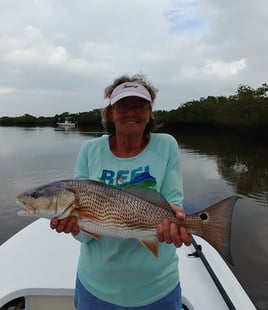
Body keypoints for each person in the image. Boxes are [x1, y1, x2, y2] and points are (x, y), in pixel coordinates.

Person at [50, 73, 192, 310]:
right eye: (123, 105)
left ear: (149, 114)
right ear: (110, 112)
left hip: (157, 287)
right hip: (96, 287)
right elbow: (85, 235)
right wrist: (75, 227)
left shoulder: (166, 145)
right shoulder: (90, 150)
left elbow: (172, 202)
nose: (131, 112)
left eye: (140, 106)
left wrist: (175, 220)